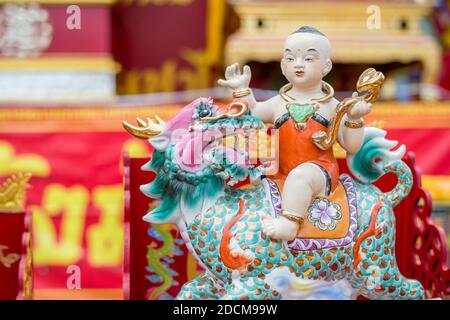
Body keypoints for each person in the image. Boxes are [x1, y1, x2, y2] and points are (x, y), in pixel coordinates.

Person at [218, 26, 372, 241]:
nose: (298, 64)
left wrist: (355, 118)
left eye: (308, 58)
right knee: (255, 178)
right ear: (282, 66)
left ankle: (290, 223)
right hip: (281, 169)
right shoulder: (278, 103)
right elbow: (253, 112)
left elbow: (352, 146)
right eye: (290, 58)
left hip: (318, 171)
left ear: (326, 66)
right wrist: (241, 89)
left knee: (300, 177)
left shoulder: (332, 106)